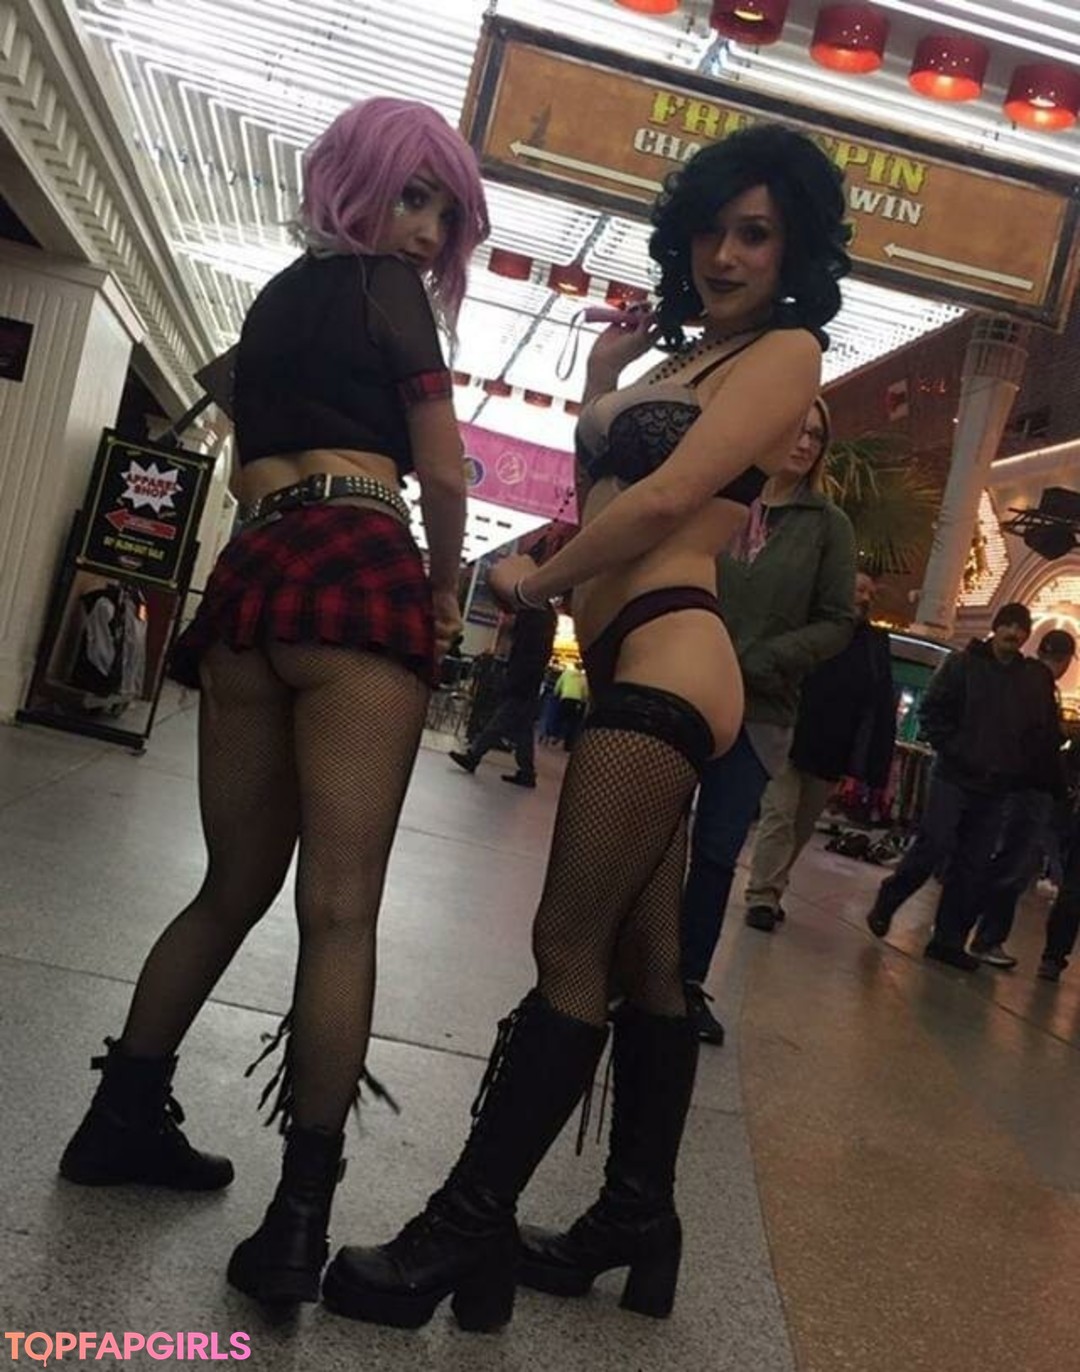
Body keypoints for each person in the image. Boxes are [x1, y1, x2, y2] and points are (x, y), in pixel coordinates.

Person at [318, 122, 851, 1332]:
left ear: (797, 249)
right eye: (711, 229)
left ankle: (462, 1229)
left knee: (568, 947)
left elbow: (668, 498)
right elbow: (612, 478)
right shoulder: (694, 356)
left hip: (671, 658)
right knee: (649, 964)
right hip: (629, 664)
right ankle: (637, 1218)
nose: (725, 254)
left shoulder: (789, 351)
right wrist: (603, 386)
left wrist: (537, 583)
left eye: (755, 234)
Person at [58, 97, 489, 1311]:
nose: (426, 232)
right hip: (359, 561)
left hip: (255, 572)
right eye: (412, 196)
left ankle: (119, 1117)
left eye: (444, 213)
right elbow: (442, 466)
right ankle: (299, 1223)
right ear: (357, 182)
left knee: (229, 885)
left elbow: (251, 445)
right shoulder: (388, 291)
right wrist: (441, 589)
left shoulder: (272, 301)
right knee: (340, 911)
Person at [679, 396, 856, 1044]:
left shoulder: (827, 526)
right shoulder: (723, 495)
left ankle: (684, 984)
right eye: (796, 428)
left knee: (716, 852)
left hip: (761, 709)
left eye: (817, 435)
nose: (804, 443)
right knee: (655, 842)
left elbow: (838, 621)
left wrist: (769, 657)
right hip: (687, 687)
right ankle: (631, 967)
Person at [866, 602, 1061, 971]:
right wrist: (955, 749)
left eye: (1020, 629)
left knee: (972, 864)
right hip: (954, 776)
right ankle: (890, 898)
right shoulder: (963, 665)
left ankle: (948, 939)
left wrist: (1016, 765)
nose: (1014, 634)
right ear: (996, 628)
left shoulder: (1027, 680)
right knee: (934, 844)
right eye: (1008, 626)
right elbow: (932, 711)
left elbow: (1037, 730)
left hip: (995, 786)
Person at [744, 569, 895, 930]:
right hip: (789, 736)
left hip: (831, 750)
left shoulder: (873, 645)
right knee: (779, 817)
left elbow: (878, 702)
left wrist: (869, 759)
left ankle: (773, 887)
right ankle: (762, 896)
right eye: (858, 589)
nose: (864, 598)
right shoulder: (812, 625)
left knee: (801, 826)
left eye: (869, 593)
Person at [967, 628, 1073, 968]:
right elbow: (1039, 740)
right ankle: (986, 938)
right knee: (1014, 865)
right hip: (1031, 788)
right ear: (1066, 660)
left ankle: (959, 926)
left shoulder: (1023, 678)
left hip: (1014, 783)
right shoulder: (1042, 687)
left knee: (1003, 859)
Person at [449, 600, 557, 788]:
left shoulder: (533, 616)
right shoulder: (544, 618)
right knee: (523, 729)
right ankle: (527, 772)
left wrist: (510, 678)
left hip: (522, 680)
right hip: (530, 680)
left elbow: (521, 647)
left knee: (499, 721)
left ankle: (474, 756)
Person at [553, 659, 590, 750]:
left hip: (565, 698)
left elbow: (558, 684)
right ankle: (568, 744)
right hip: (576, 702)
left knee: (559, 718)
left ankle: (555, 735)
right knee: (572, 723)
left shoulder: (566, 673)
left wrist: (556, 693)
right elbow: (585, 692)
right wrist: (584, 700)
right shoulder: (584, 678)